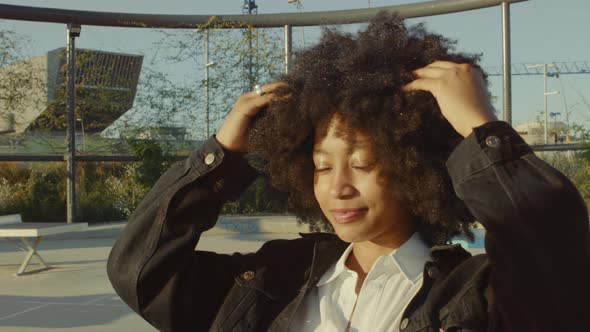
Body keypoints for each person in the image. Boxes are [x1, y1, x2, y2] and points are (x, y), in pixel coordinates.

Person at [107, 13, 590, 332]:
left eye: (361, 163)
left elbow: (554, 252)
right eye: (320, 166)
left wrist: (480, 128)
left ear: (414, 167)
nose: (337, 186)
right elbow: (141, 274)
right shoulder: (272, 278)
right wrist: (220, 154)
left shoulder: (473, 294)